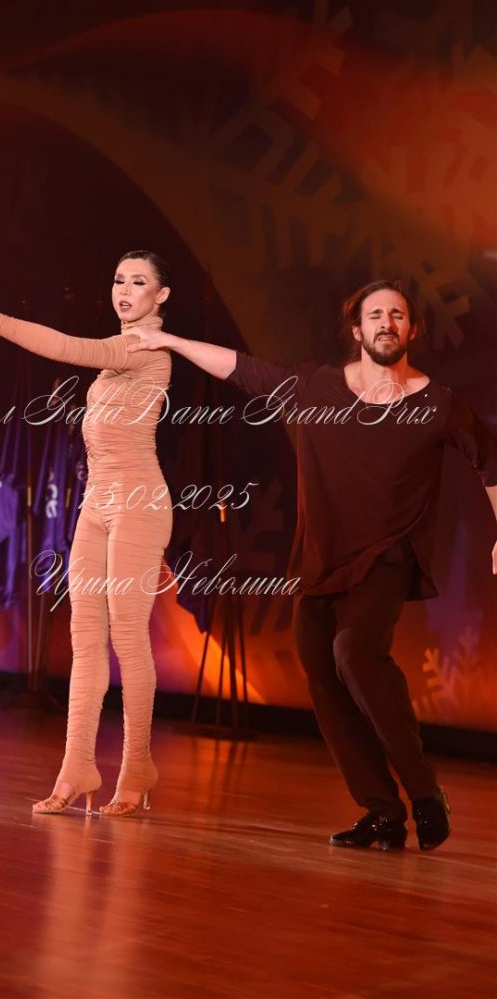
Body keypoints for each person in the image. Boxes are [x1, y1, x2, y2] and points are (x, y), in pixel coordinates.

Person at [127, 279, 497, 850]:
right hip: (320, 561)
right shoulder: (319, 388)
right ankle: (382, 811)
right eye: (376, 315)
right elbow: (244, 370)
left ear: (412, 329)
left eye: (397, 315)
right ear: (357, 330)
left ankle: (424, 789)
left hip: (388, 556)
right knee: (323, 678)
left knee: (355, 653)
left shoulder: (437, 404)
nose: (387, 323)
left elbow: (490, 462)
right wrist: (170, 341)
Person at [0, 251, 173, 817]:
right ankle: (77, 766)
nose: (124, 289)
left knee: (127, 635)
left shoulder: (145, 347)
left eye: (138, 282)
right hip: (97, 503)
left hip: (138, 502)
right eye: (118, 279)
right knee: (85, 636)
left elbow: (66, 347)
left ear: (160, 296)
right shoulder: (120, 351)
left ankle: (137, 767)